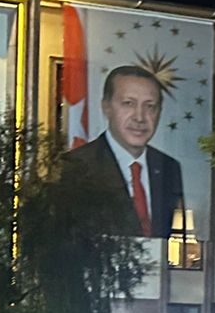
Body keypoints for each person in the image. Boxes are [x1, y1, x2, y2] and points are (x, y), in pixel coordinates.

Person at [69, 64, 187, 238]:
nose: (139, 117)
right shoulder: (75, 167)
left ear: (159, 113)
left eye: (150, 106)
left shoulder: (168, 168)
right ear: (106, 107)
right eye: (128, 104)